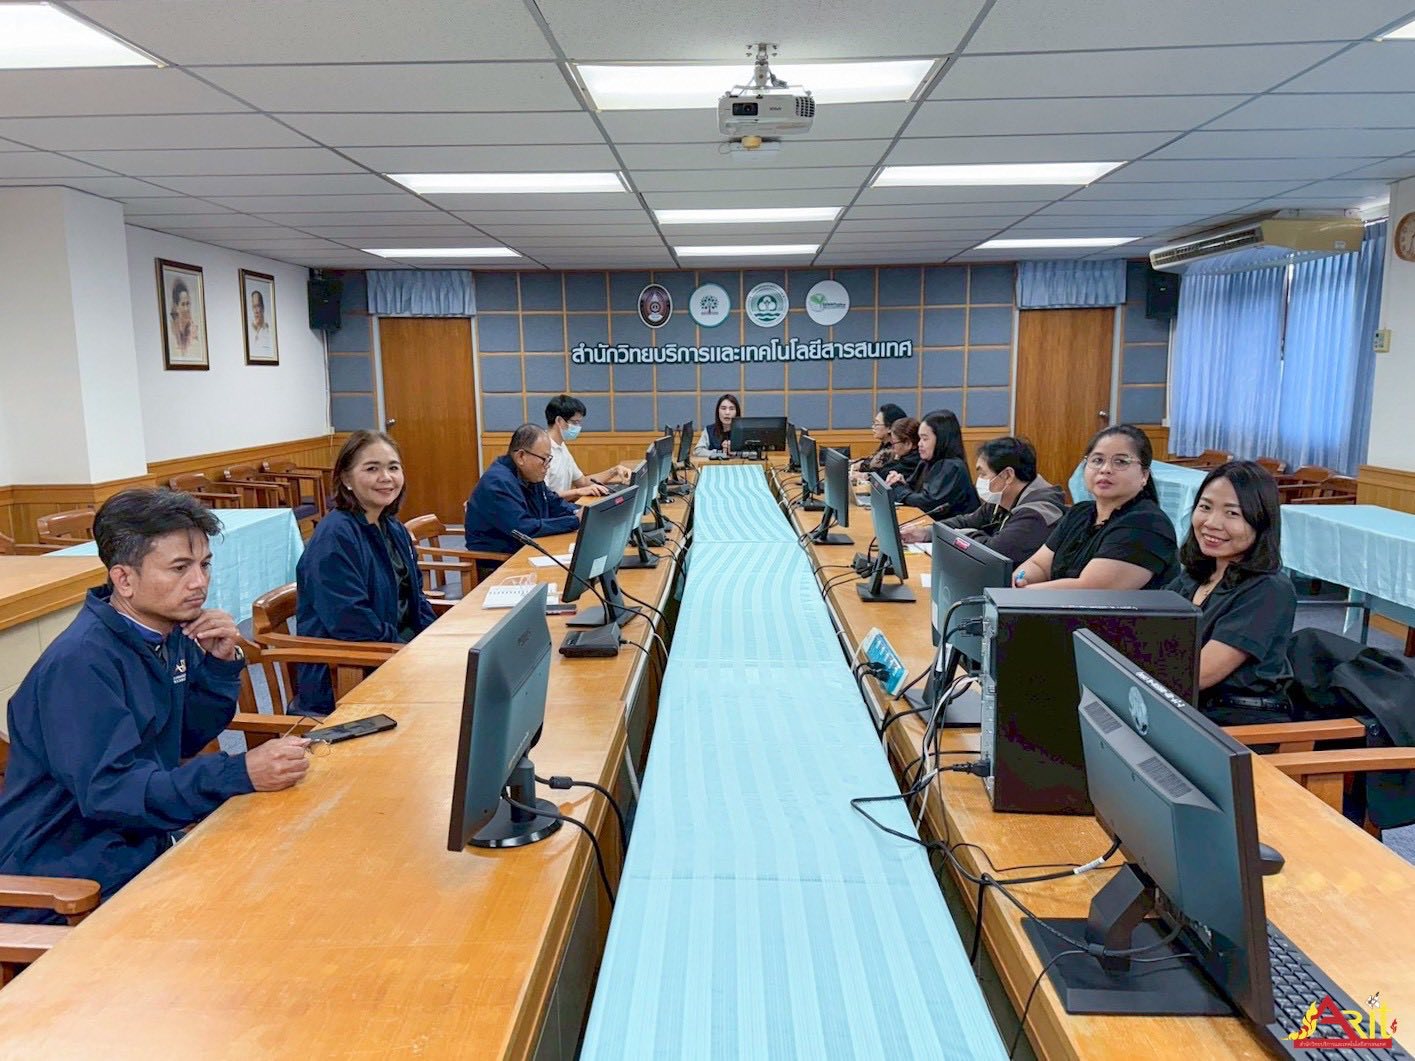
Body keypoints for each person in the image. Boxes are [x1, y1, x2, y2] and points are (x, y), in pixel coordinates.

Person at [0, 490, 309, 923]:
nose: (199, 582)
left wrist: (219, 668)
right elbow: (113, 792)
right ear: (124, 580)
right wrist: (238, 772)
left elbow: (183, 739)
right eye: (180, 568)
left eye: (204, 565)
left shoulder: (166, 633)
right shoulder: (82, 663)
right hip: (67, 883)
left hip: (138, 843)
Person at [294, 430, 435, 716]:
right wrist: (410, 653)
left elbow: (415, 598)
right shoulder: (335, 536)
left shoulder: (392, 526)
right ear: (346, 479)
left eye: (393, 467)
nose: (386, 477)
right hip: (350, 669)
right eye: (372, 469)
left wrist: (436, 639)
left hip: (395, 651)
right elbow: (351, 622)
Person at [1166, 461, 1296, 725]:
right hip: (1187, 709)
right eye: (1205, 507)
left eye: (1232, 513)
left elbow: (1197, 674)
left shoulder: (1269, 590)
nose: (1211, 523)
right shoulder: (1194, 575)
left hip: (1237, 724)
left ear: (1261, 521)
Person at [1014, 424, 1178, 591]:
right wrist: (1021, 579)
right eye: (1097, 460)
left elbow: (1091, 591)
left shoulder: (1147, 524)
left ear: (1144, 475)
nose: (1105, 470)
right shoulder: (1080, 513)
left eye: (1121, 462)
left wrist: (1023, 594)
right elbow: (1039, 565)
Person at [904, 436, 1066, 565]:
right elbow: (966, 521)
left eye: (983, 474)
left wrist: (962, 534)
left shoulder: (1037, 513)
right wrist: (926, 533)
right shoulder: (1003, 498)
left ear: (1007, 475)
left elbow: (993, 552)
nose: (979, 481)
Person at [465, 423, 582, 564]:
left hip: (526, 550)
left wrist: (580, 512)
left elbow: (552, 502)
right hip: (498, 562)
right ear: (521, 456)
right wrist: (574, 521)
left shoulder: (530, 475)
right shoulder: (498, 483)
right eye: (544, 459)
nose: (547, 465)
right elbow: (524, 528)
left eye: (549, 459)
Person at [885, 409, 978, 519]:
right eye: (919, 438)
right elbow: (912, 490)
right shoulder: (926, 462)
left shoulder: (952, 466)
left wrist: (898, 488)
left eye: (925, 439)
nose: (919, 444)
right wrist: (900, 482)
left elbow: (928, 504)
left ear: (941, 439)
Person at [543, 394, 631, 501]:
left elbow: (583, 482)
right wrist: (577, 492)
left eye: (579, 422)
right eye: (575, 422)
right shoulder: (542, 450)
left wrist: (614, 471)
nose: (578, 427)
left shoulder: (561, 445)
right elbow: (543, 497)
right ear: (559, 421)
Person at [852, 403, 909, 476]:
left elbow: (873, 470)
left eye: (877, 424)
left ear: (890, 428)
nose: (873, 427)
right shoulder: (885, 444)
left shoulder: (893, 450)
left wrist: (859, 468)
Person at [874, 416, 922, 483]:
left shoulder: (911, 462)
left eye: (894, 442)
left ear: (908, 444)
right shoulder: (909, 456)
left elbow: (882, 474)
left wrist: (896, 458)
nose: (892, 446)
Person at [168, 278, 201, 360]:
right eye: (183, 304)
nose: (186, 308)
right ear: (176, 306)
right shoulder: (172, 329)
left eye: (188, 303)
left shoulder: (193, 328)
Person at [247, 288, 273, 360]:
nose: (256, 311)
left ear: (263, 308)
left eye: (258, 306)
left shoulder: (269, 330)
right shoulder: (249, 330)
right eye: (254, 307)